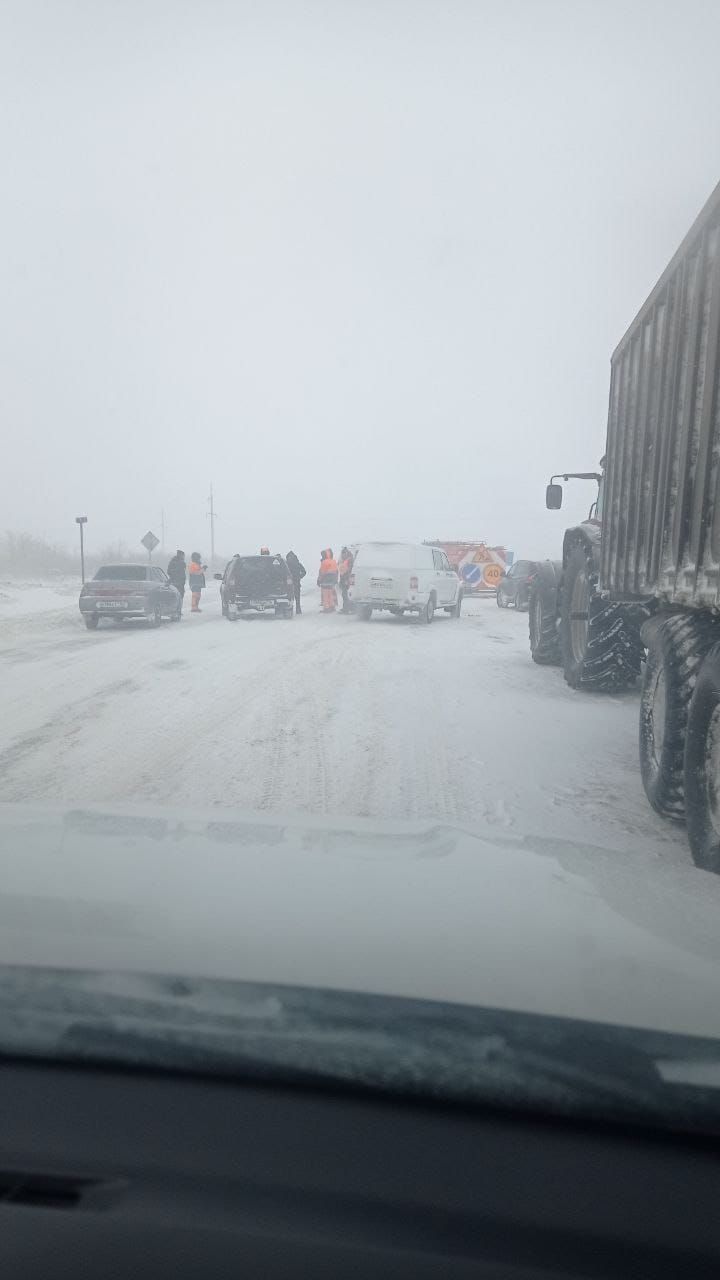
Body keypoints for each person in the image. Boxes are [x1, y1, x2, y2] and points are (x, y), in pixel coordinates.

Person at [317, 548, 339, 612]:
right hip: (332, 581)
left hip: (325, 580)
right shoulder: (333, 561)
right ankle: (332, 606)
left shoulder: (324, 562)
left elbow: (322, 572)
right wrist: (336, 580)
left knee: (325, 595)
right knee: (331, 593)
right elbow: (336, 571)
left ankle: (326, 608)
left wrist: (319, 580)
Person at [285, 550, 306, 615]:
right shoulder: (298, 563)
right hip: (297, 582)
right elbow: (304, 572)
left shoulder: (286, 564)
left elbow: (284, 572)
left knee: (289, 597)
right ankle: (298, 610)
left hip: (288, 583)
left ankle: (289, 609)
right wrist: (299, 576)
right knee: (297, 597)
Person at [338, 546, 354, 613]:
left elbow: (349, 571)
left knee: (346, 594)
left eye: (343, 553)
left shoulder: (349, 560)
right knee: (344, 594)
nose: (342, 555)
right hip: (344, 578)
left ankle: (347, 608)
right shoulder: (345, 560)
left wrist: (346, 580)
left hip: (347, 579)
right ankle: (347, 608)